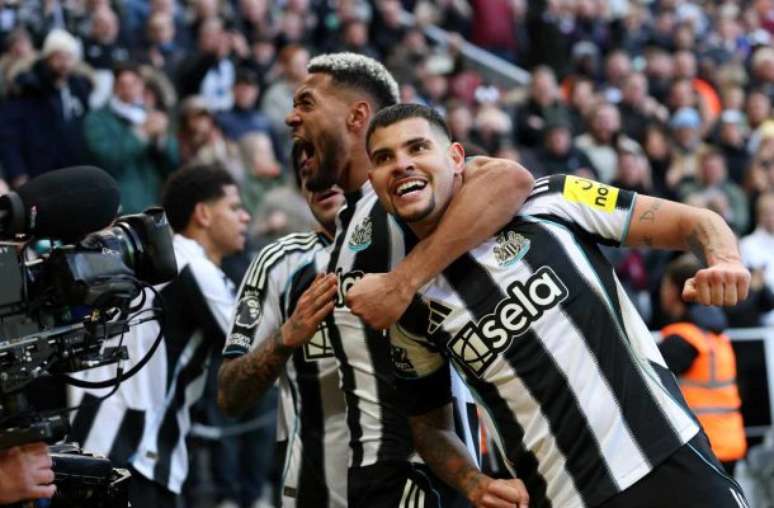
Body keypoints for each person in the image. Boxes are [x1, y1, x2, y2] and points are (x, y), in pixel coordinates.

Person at [364, 103, 751, 508]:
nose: (402, 164)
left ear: (457, 158)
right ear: (373, 181)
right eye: (384, 158)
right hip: (562, 497)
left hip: (670, 460)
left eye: (418, 147)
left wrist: (725, 259)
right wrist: (471, 481)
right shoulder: (408, 308)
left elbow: (694, 221)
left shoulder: (553, 199)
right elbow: (429, 428)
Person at [222, 52, 533, 507]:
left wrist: (403, 281)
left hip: (419, 471)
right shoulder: (345, 225)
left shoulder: (404, 194)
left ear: (356, 117)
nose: (291, 118)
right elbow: (230, 394)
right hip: (357, 478)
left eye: (306, 103)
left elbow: (509, 179)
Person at [69, 163, 251, 508]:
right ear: (203, 214)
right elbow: (251, 346)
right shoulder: (193, 268)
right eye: (234, 207)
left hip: (92, 433)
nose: (245, 217)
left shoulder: (157, 259)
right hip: (132, 450)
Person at [219, 161, 348, 506]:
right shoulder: (279, 261)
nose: (320, 179)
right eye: (307, 171)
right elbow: (230, 394)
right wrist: (287, 336)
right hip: (316, 486)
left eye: (332, 163)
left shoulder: (415, 241)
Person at [659, 255, 747, 476]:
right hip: (727, 443)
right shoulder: (717, 337)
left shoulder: (682, 340)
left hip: (701, 449)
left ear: (675, 290)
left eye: (665, 285)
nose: (661, 292)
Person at [83, 63, 179, 214]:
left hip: (153, 202)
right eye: (123, 84)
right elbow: (107, 158)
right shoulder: (97, 119)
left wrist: (161, 139)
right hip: (122, 204)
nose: (129, 90)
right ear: (115, 88)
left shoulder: (149, 113)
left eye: (134, 84)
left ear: (141, 86)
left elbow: (173, 161)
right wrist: (141, 134)